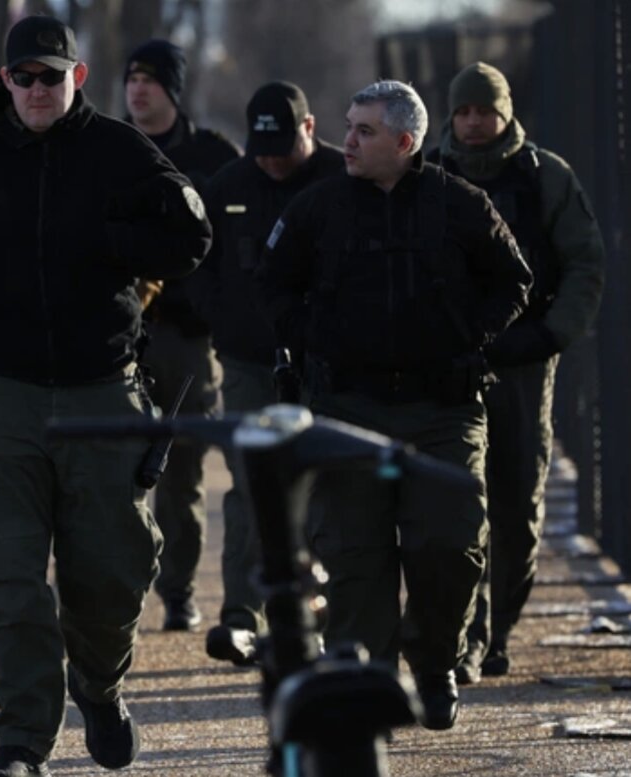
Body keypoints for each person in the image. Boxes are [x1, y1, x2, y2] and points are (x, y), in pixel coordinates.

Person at [0, 15, 211, 776]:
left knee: (110, 573)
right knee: (12, 578)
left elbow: (190, 237)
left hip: (101, 390)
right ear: (5, 81)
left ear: (78, 78)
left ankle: (98, 685)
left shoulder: (118, 151)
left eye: (51, 76)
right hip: (2, 394)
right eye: (23, 77)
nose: (37, 89)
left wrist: (108, 241)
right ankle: (22, 742)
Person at [252, 80, 532, 731]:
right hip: (345, 408)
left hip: (442, 409)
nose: (346, 142)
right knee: (353, 558)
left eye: (364, 131)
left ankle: (433, 664)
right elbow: (272, 285)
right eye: (348, 126)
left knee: (449, 545)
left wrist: (465, 335)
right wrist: (316, 337)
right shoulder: (318, 207)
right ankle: (369, 680)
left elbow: (512, 280)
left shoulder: (459, 204)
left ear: (404, 142)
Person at [430, 62, 605, 683]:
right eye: (464, 111)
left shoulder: (544, 177)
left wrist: (552, 334)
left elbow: (585, 262)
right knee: (456, 502)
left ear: (506, 115)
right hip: (449, 366)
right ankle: (468, 637)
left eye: (486, 111)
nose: (475, 122)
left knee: (517, 503)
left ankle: (499, 625)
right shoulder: (430, 175)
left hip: (526, 363)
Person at [188, 81, 343, 666]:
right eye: (262, 150)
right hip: (248, 360)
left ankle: (321, 616)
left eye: (283, 148)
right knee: (251, 485)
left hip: (324, 362)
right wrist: (222, 317)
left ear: (309, 129)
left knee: (325, 485)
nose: (272, 161)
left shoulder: (340, 177)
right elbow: (197, 261)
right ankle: (242, 614)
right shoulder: (230, 184)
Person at [122, 38, 240, 633]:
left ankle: (179, 591)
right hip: (120, 337)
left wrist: (211, 306)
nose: (138, 89)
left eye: (150, 79)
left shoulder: (212, 155)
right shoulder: (109, 147)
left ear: (172, 88)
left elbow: (235, 242)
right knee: (115, 470)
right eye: (131, 78)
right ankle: (120, 593)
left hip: (189, 339)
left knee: (182, 473)